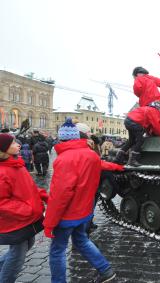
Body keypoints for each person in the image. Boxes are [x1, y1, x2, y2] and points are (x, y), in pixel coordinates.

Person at [43, 118, 116, 283]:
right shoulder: (91, 154)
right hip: (84, 211)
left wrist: (49, 223)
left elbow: (60, 195)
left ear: (61, 138)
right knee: (81, 240)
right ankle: (105, 270)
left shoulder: (64, 159)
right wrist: (118, 167)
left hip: (67, 215)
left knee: (57, 251)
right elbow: (102, 165)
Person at [0, 133, 48, 282]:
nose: (18, 145)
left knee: (28, 244)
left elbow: (29, 188)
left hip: (26, 218)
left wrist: (45, 197)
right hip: (15, 221)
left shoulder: (17, 165)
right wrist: (28, 210)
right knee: (17, 257)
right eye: (14, 143)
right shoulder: (3, 171)